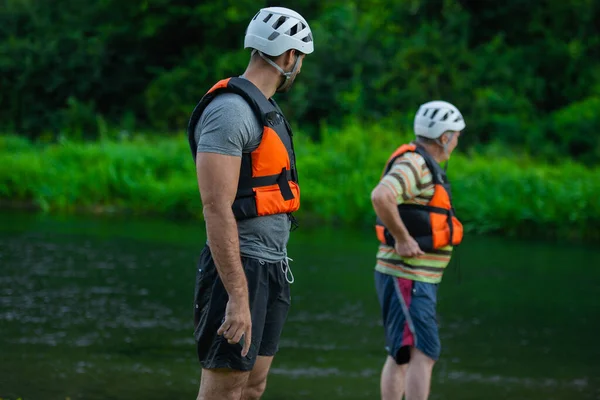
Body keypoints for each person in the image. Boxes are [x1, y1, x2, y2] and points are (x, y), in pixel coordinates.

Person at [186, 7, 314, 400]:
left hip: (272, 265)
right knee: (225, 390)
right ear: (290, 56)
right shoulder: (230, 111)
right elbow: (215, 208)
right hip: (240, 270)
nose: (300, 66)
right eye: (301, 59)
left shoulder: (264, 109)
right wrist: (238, 297)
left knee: (253, 387)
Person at [370, 101, 466, 400]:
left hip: (412, 278)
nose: (457, 141)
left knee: (401, 353)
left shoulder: (421, 163)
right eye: (456, 135)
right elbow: (382, 195)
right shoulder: (416, 164)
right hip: (407, 276)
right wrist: (402, 238)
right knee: (424, 352)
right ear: (444, 137)